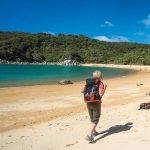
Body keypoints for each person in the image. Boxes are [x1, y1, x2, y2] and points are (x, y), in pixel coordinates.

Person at [81, 70, 107, 142]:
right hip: (96, 103)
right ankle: (89, 135)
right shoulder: (100, 83)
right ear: (100, 76)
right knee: (95, 120)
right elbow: (100, 95)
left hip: (88, 102)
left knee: (92, 118)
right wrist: (104, 89)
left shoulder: (89, 82)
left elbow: (81, 91)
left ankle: (94, 132)